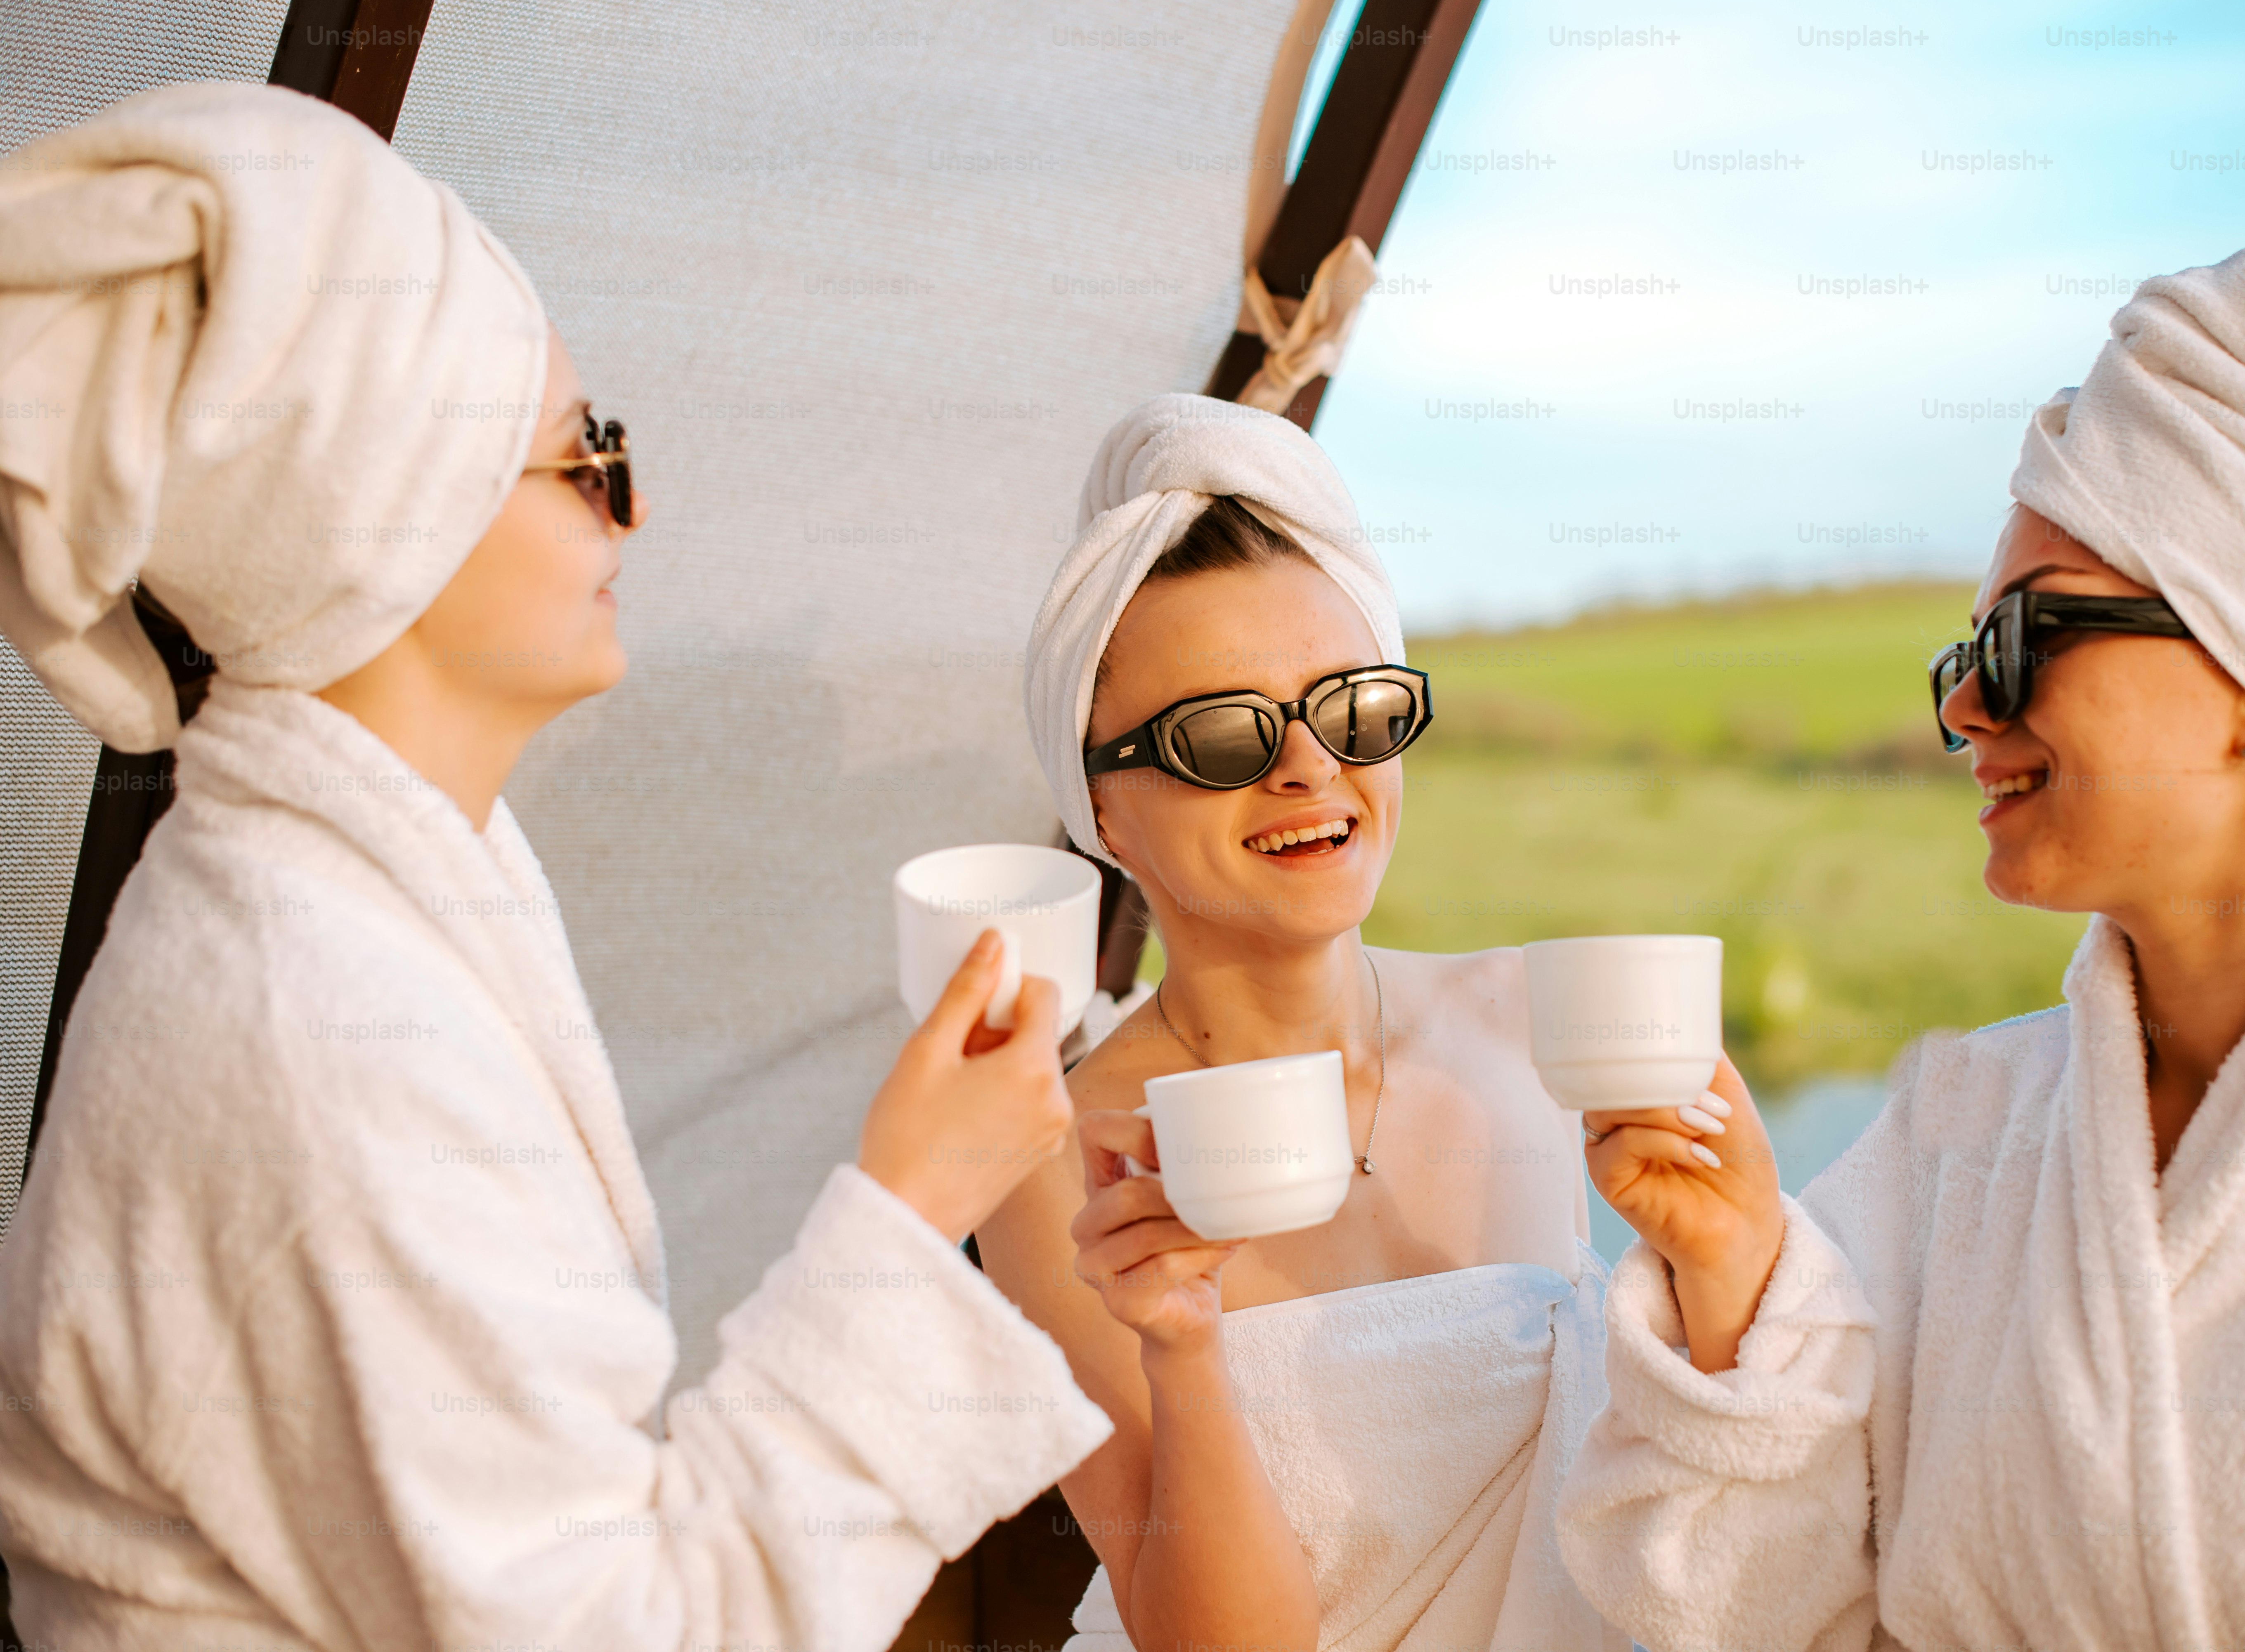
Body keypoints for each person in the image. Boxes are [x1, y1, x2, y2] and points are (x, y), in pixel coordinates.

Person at [0, 82, 1107, 1650]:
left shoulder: (371, 896)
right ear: (396, 510)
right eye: (586, 456)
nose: (634, 512)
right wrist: (916, 1201)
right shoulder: (305, 1027)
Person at [1555, 248, 2245, 1650]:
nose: (1966, 714)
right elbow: (1784, 1618)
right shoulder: (1958, 1140)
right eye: (1962, 660)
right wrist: (1738, 1276)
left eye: (2024, 638)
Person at [978, 394, 1631, 1652]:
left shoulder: (1529, 1018)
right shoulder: (1054, 1159)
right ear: (1102, 811)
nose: (1309, 768)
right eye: (1222, 734)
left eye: (1354, 708)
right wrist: (1182, 1346)